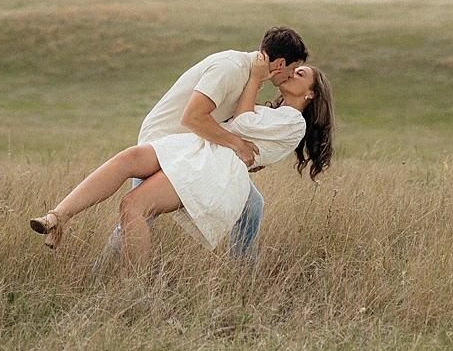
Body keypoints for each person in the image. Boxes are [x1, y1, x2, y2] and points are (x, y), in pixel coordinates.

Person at [30, 51, 333, 264]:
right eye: (293, 68)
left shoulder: (294, 123)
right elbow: (241, 127)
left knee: (133, 205)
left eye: (300, 74)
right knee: (128, 159)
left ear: (311, 94)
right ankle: (57, 216)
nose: (293, 74)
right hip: (199, 149)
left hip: (213, 166)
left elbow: (241, 124)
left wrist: (254, 79)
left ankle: (136, 292)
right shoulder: (275, 113)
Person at [97, 26, 308, 268]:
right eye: (292, 70)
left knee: (252, 206)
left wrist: (248, 154)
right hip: (166, 141)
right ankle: (102, 272)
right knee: (141, 210)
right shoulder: (232, 67)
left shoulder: (253, 79)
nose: (291, 76)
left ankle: (242, 278)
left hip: (195, 148)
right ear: (280, 63)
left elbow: (233, 123)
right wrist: (238, 145)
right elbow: (193, 119)